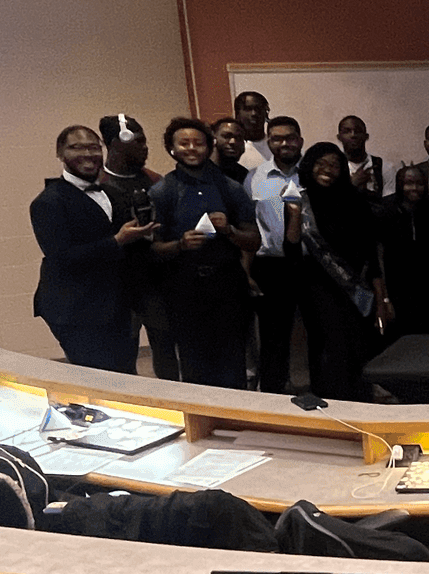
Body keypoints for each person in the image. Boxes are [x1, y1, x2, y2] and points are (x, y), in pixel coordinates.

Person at [30, 123, 157, 372]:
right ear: (60, 154)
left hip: (118, 305)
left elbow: (130, 249)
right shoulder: (48, 202)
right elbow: (62, 259)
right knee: (97, 379)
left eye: (93, 147)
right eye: (76, 147)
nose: (87, 154)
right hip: (76, 309)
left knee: (127, 376)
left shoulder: (113, 193)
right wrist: (117, 241)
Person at [150, 116, 260, 388]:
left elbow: (254, 240)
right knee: (194, 362)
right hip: (184, 288)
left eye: (198, 143)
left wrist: (230, 231)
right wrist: (179, 245)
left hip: (228, 285)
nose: (191, 148)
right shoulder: (162, 191)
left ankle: (238, 418)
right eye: (183, 143)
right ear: (171, 149)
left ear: (210, 146)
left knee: (233, 359)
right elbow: (152, 250)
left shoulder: (231, 188)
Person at [284, 141, 389, 398]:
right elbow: (291, 250)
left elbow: (371, 254)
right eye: (321, 163)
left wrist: (380, 297)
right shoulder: (300, 201)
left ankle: (360, 407)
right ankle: (330, 409)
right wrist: (295, 215)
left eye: (334, 164)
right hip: (317, 291)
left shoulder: (356, 201)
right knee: (328, 350)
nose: (327, 169)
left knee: (357, 350)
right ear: (309, 166)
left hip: (355, 290)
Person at [97, 112, 178, 379]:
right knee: (123, 357)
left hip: (157, 282)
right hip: (117, 285)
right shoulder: (96, 186)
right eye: (139, 142)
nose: (145, 148)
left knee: (166, 352)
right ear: (117, 143)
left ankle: (173, 404)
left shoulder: (157, 182)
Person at [245, 114, 306, 392]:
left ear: (300, 141)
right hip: (271, 267)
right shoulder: (255, 178)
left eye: (290, 138)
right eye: (277, 138)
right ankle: (274, 394)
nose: (284, 143)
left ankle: (320, 388)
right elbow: (247, 226)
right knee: (273, 337)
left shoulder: (314, 172)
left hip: (312, 265)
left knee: (316, 331)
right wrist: (246, 271)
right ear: (268, 142)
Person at [377, 165, 429, 338]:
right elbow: (379, 258)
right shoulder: (386, 214)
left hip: (425, 292)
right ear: (399, 185)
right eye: (408, 183)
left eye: (419, 183)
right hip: (396, 291)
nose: (414, 188)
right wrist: (385, 299)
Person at [337, 115, 396, 200]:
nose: (353, 135)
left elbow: (388, 205)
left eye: (358, 131)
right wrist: (353, 184)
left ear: (366, 136)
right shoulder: (335, 168)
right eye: (347, 131)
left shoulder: (384, 167)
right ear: (339, 137)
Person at [233, 91, 271, 173]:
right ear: (237, 114)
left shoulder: (275, 146)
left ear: (266, 113)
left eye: (258, 109)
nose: (254, 114)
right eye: (248, 109)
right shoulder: (231, 148)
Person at [210, 116, 248, 182]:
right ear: (214, 138)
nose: (233, 141)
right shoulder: (201, 172)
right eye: (227, 136)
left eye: (238, 137)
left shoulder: (244, 175)